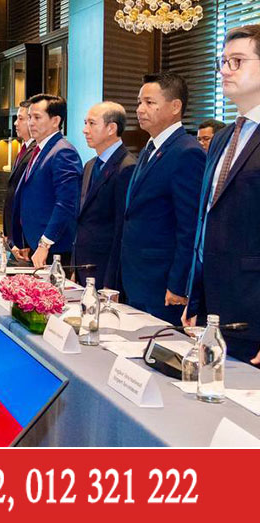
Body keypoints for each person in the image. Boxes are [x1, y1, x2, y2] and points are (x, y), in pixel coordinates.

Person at [186, 24, 260, 366]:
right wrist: (195, 297)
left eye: (237, 61)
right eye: (223, 61)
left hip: (253, 309)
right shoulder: (221, 138)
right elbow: (207, 222)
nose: (225, 70)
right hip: (215, 307)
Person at [119, 73, 205, 325]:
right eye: (139, 102)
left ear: (175, 106)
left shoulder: (187, 152)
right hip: (137, 276)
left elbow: (190, 226)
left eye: (149, 102)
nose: (140, 109)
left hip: (162, 282)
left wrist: (179, 284)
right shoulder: (150, 148)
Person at [8, 94, 83, 268]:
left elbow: (66, 203)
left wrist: (45, 243)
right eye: (29, 117)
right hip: (34, 243)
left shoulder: (63, 152)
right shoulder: (40, 149)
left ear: (55, 121)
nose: (31, 123)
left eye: (37, 117)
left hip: (53, 247)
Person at [74, 101, 137, 288]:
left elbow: (121, 230)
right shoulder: (90, 165)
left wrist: (111, 281)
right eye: (85, 123)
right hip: (84, 265)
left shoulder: (127, 167)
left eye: (92, 123)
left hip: (105, 269)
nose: (85, 130)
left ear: (111, 128)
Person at [2, 100, 37, 241]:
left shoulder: (37, 151)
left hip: (24, 232)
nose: (16, 123)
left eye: (20, 119)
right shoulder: (24, 149)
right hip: (13, 229)